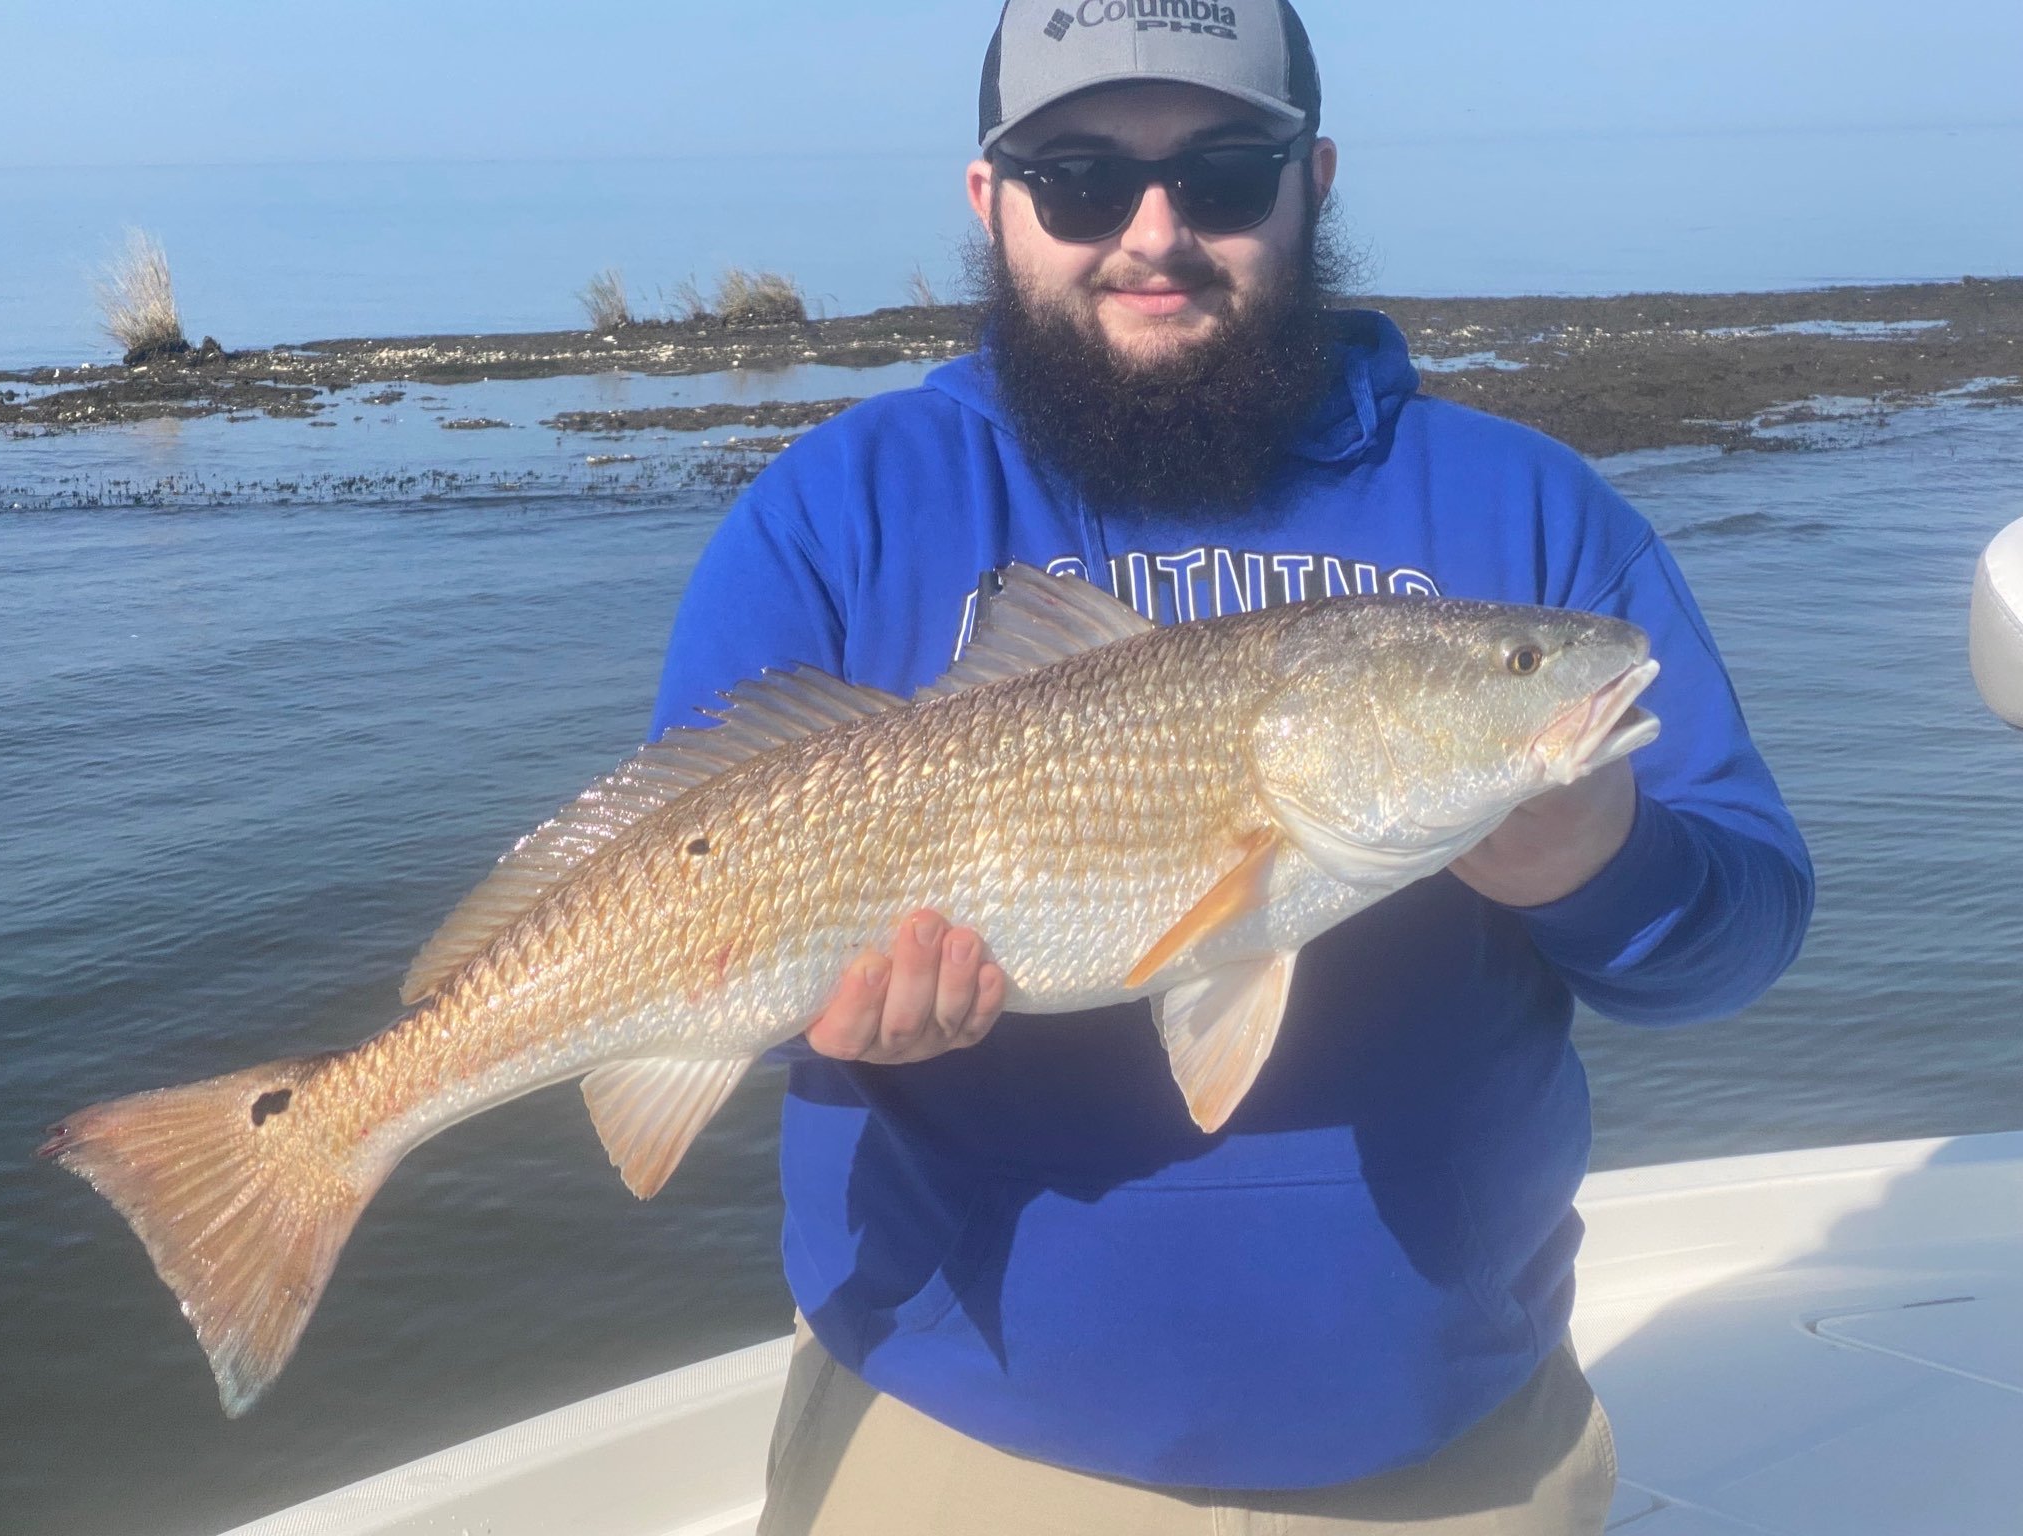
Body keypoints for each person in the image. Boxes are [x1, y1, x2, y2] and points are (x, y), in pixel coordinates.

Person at [651, 3, 1814, 1530]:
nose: (1154, 233)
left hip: (1457, 1449)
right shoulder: (833, 514)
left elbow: (1736, 938)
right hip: (958, 1436)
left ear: (1312, 180)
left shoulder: (1531, 511)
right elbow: (682, 899)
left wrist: (1599, 865)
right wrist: (846, 1027)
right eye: (1077, 177)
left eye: (1222, 173)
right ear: (990, 199)